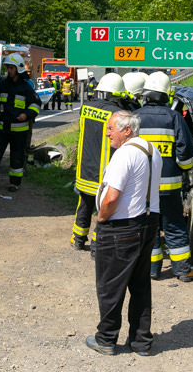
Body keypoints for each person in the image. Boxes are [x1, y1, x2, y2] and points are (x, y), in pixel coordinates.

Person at [85, 111, 161, 357]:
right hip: (148, 223)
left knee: (110, 285)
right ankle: (141, 341)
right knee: (140, 285)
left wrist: (101, 217)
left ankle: (106, 339)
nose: (107, 133)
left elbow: (113, 196)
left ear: (127, 130)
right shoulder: (152, 150)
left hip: (122, 227)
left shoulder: (124, 154)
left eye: (110, 129)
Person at [136, 71, 193, 282]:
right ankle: (182, 271)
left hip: (143, 187)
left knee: (149, 227)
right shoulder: (173, 118)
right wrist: (182, 168)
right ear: (166, 95)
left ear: (145, 94)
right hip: (170, 186)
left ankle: (152, 271)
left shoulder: (135, 117)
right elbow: (186, 151)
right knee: (174, 225)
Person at [71, 73, 129, 252]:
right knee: (102, 210)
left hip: (84, 169)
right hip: (103, 173)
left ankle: (78, 239)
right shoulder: (116, 114)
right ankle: (97, 245)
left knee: (84, 205)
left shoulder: (85, 108)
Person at [0, 52, 41, 192]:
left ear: (19, 68)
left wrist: (26, 115)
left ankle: (15, 183)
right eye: (8, 67)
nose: (9, 70)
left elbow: (36, 104)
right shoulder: (2, 85)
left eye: (11, 68)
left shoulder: (26, 88)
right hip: (1, 127)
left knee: (17, 157)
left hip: (19, 130)